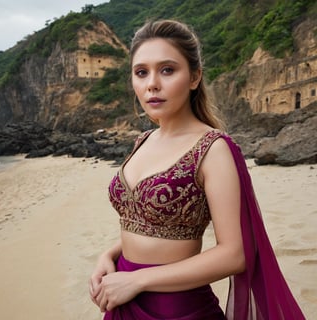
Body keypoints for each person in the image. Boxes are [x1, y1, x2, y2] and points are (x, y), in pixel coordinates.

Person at [89, 19, 305, 320]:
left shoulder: (213, 149)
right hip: (121, 296)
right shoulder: (143, 141)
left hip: (176, 308)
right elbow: (149, 224)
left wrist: (137, 280)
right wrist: (110, 255)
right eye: (141, 72)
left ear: (194, 77)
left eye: (167, 70)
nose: (152, 83)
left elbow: (236, 254)